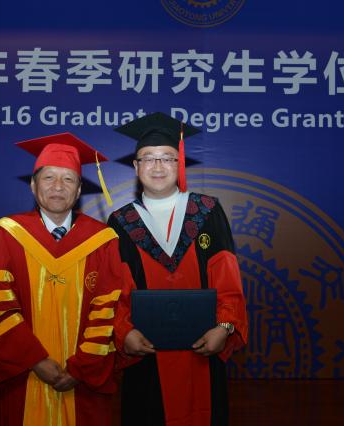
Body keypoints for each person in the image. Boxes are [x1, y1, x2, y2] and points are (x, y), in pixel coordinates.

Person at [107, 112, 249, 426]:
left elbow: (227, 278)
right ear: (136, 167)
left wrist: (224, 327)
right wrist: (124, 332)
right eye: (148, 158)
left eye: (167, 158)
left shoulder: (207, 211)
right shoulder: (121, 222)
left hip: (202, 349)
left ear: (179, 163)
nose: (158, 166)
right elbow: (113, 288)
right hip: (146, 354)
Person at [0, 133, 123, 426]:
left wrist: (81, 367)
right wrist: (35, 360)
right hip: (24, 373)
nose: (58, 186)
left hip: (84, 379)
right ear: (33, 185)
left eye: (68, 179)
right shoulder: (6, 234)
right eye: (49, 178)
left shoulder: (103, 240)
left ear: (79, 190)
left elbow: (109, 309)